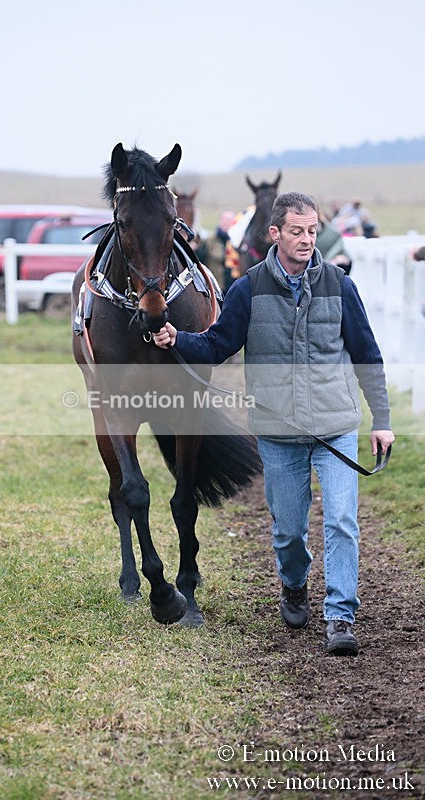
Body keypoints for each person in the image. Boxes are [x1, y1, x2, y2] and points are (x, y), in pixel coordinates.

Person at [153, 191, 394, 657]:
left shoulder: (340, 286)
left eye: (312, 230)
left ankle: (341, 616)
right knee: (288, 530)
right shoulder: (247, 289)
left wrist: (380, 421)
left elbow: (367, 356)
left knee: (343, 521)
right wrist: (176, 338)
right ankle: (294, 584)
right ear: (275, 233)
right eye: (297, 231)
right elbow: (218, 345)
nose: (307, 240)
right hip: (278, 432)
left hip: (335, 427)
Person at [200, 210, 237, 293]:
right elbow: (200, 260)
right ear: (220, 221)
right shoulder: (209, 241)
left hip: (234, 287)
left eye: (230, 220)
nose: (227, 222)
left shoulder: (238, 242)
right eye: (225, 219)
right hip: (214, 288)